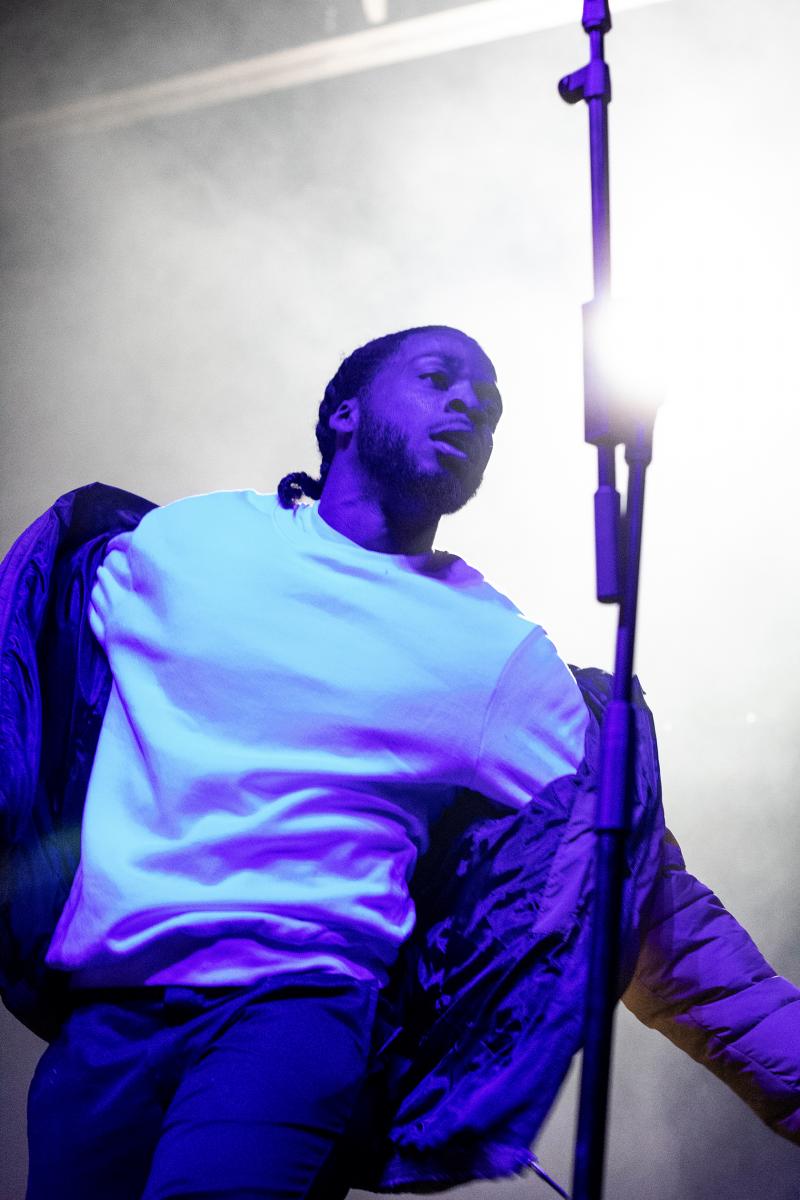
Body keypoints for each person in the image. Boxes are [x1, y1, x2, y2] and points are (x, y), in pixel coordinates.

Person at [11, 325, 799, 1200]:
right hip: (108, 1017)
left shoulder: (493, 654)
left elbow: (636, 888)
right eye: (438, 377)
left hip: (291, 1010)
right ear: (343, 413)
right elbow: (25, 680)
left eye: (489, 408)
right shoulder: (180, 545)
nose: (469, 405)